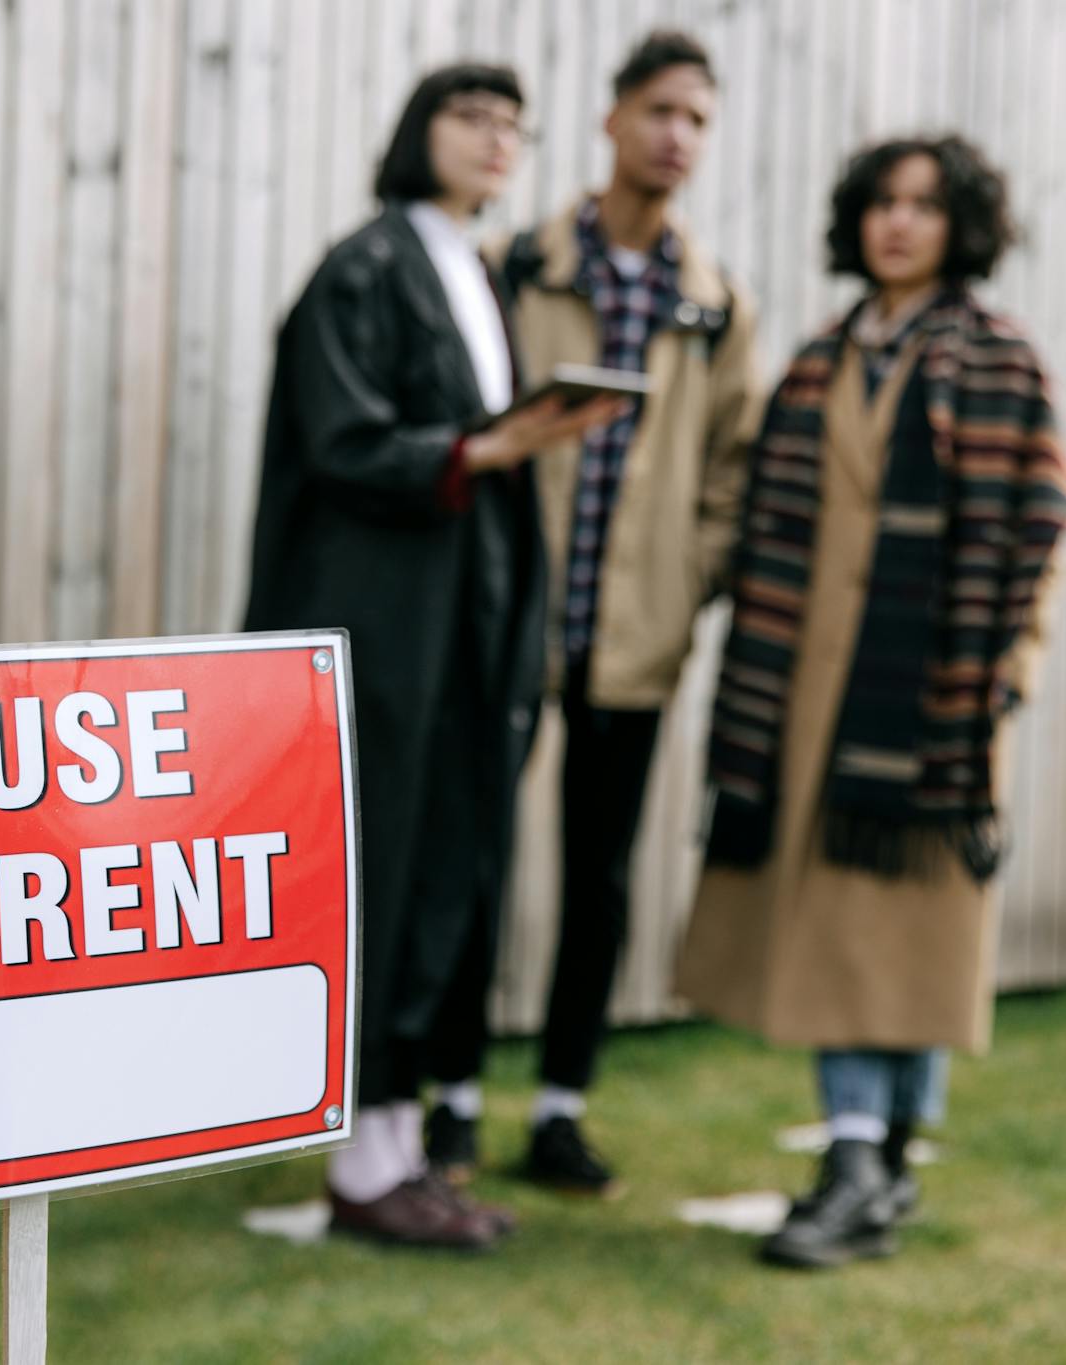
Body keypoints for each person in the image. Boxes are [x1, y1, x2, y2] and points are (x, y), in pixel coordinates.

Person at [673, 133, 1066, 1268]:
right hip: (807, 702)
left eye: (924, 206)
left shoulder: (997, 357)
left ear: (962, 227)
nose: (897, 224)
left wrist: (1000, 680)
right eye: (881, 203)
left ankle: (867, 1165)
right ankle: (866, 1163)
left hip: (932, 697)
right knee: (844, 937)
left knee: (903, 939)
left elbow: (1041, 526)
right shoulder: (813, 359)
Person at [244, 64, 624, 1249]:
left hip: (461, 631)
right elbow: (346, 439)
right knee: (380, 873)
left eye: (515, 126)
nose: (497, 142)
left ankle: (404, 1148)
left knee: (445, 871)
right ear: (419, 133)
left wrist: (516, 441)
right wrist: (493, 446)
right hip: (382, 631)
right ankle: (361, 1169)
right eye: (473, 119)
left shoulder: (473, 269)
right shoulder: (363, 269)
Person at [422, 30, 764, 1196]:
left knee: (597, 878)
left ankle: (561, 1105)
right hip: (510, 628)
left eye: (699, 121)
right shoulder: (517, 266)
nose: (677, 136)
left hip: (635, 643)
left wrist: (683, 583)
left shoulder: (717, 309)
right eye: (660, 110)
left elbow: (731, 474)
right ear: (611, 120)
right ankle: (452, 1098)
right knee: (474, 862)